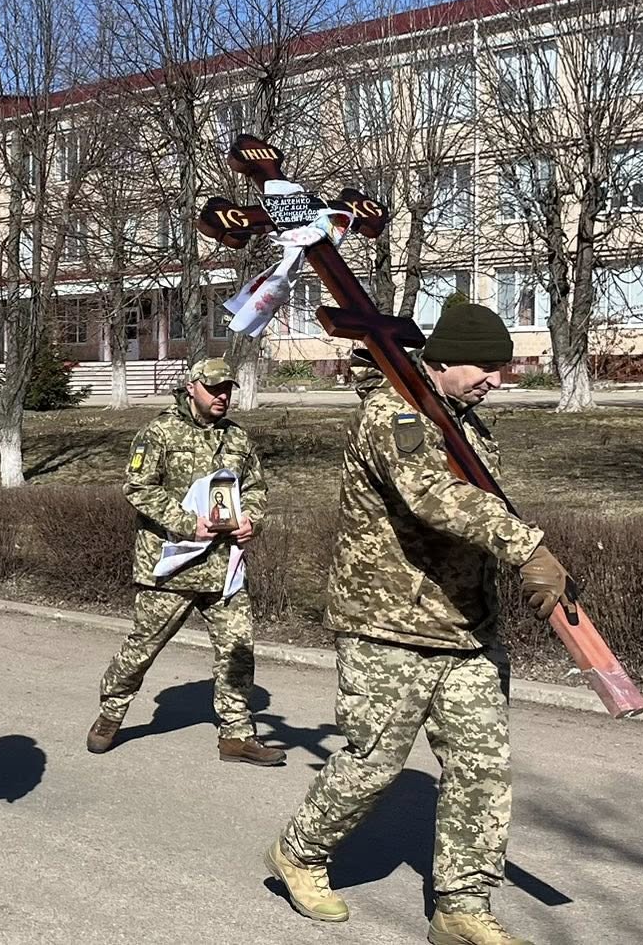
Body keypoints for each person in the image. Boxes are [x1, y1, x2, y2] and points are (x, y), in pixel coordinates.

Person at [268, 304, 569, 945]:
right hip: (388, 624)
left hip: (465, 628)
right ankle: (300, 854)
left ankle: (461, 907)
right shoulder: (394, 414)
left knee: (481, 767)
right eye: (485, 366)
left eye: (503, 367)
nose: (496, 379)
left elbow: (477, 504)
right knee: (373, 761)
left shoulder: (461, 420)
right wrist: (527, 546)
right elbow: (435, 496)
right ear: (440, 360)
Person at [86, 357, 282, 766]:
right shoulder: (159, 432)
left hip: (224, 566)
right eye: (214, 388)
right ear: (192, 387)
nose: (223, 396)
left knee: (237, 650)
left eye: (227, 389)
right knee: (143, 647)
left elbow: (257, 489)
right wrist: (184, 522)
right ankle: (111, 713)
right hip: (171, 564)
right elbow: (137, 487)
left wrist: (252, 521)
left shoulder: (238, 439)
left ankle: (236, 735)